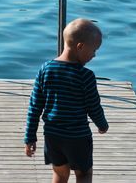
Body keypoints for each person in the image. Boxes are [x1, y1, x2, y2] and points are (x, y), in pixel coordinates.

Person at [24, 18, 109, 183]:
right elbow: (93, 107)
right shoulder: (86, 76)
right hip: (78, 137)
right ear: (80, 47)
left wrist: (30, 137)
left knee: (60, 174)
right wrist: (102, 124)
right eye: (94, 50)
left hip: (52, 136)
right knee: (84, 174)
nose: (94, 55)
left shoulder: (45, 69)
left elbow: (35, 107)